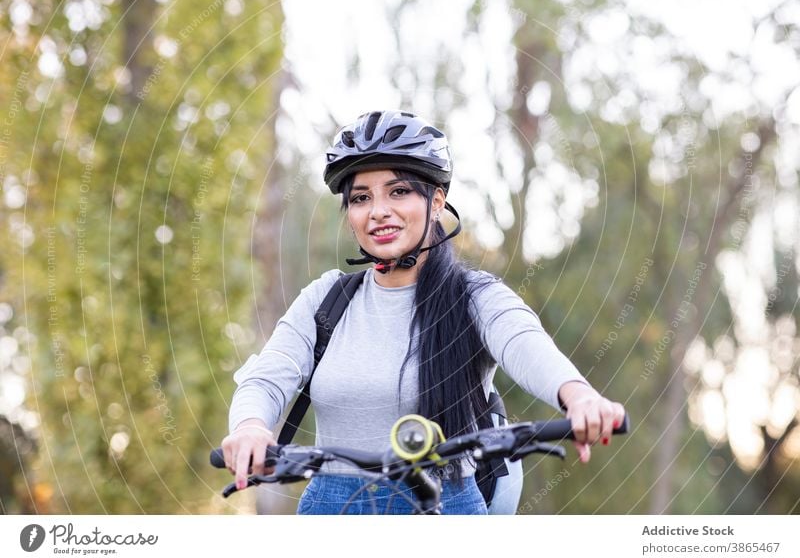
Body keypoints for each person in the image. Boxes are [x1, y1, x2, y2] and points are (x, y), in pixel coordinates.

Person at [221, 110, 626, 515]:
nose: (378, 211)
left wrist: (578, 397)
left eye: (398, 192)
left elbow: (524, 344)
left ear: (436, 201)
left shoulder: (474, 295)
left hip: (446, 502)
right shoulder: (325, 299)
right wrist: (250, 427)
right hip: (332, 506)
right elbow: (268, 376)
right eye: (361, 198)